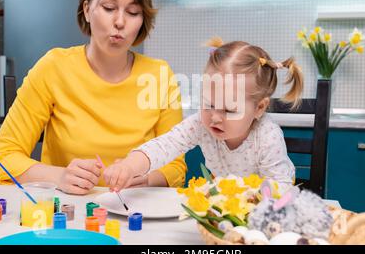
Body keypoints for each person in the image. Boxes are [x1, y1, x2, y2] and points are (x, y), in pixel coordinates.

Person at [0, 0, 186, 195]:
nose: (120, 22)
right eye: (109, 8)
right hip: (66, 214)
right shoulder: (54, 68)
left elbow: (175, 167)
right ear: (87, 9)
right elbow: (2, 157)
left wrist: (144, 180)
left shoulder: (160, 76)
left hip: (134, 212)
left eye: (133, 12)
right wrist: (58, 176)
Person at [103, 37, 304, 193]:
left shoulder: (267, 136)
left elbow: (281, 190)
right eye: (208, 104)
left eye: (229, 110)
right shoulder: (200, 124)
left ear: (259, 108)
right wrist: (129, 166)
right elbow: (165, 145)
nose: (215, 117)